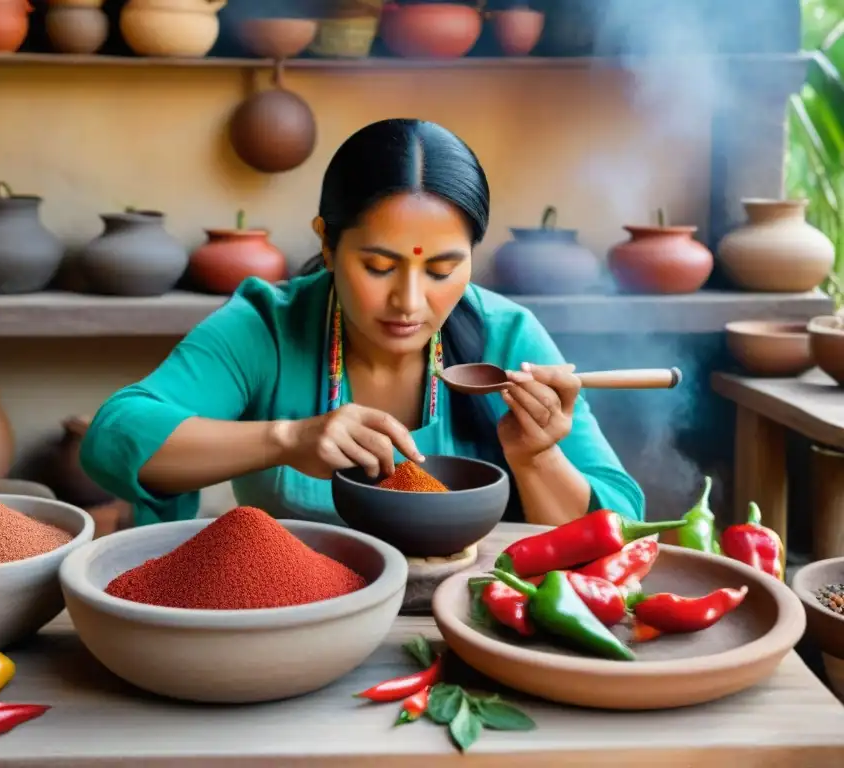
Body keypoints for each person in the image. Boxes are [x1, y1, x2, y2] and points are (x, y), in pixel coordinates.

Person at [80, 118, 645, 529]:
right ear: (327, 243)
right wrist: (288, 438)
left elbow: (616, 525)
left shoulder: (507, 334)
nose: (409, 301)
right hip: (302, 618)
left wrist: (537, 456)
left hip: (469, 622)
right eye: (378, 266)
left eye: (444, 269)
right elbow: (114, 437)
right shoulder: (267, 327)